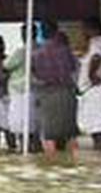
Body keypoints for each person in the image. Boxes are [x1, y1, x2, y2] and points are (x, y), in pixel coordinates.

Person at [32, 20, 79, 160]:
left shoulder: (36, 54)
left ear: (43, 33)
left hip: (47, 95)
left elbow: (34, 75)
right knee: (69, 134)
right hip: (66, 93)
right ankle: (71, 164)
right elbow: (74, 69)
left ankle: (52, 164)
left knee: (49, 136)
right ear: (56, 31)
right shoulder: (66, 51)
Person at [77, 17, 101, 152]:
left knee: (99, 132)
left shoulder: (97, 43)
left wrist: (92, 75)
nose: (82, 32)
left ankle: (100, 161)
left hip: (96, 91)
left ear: (91, 29)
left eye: (84, 29)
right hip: (98, 92)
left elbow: (96, 57)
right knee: (100, 132)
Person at [6, 26, 41, 153]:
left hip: (21, 92)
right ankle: (36, 152)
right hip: (39, 91)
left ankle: (24, 152)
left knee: (22, 129)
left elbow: (6, 65)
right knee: (35, 129)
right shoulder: (41, 49)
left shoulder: (22, 51)